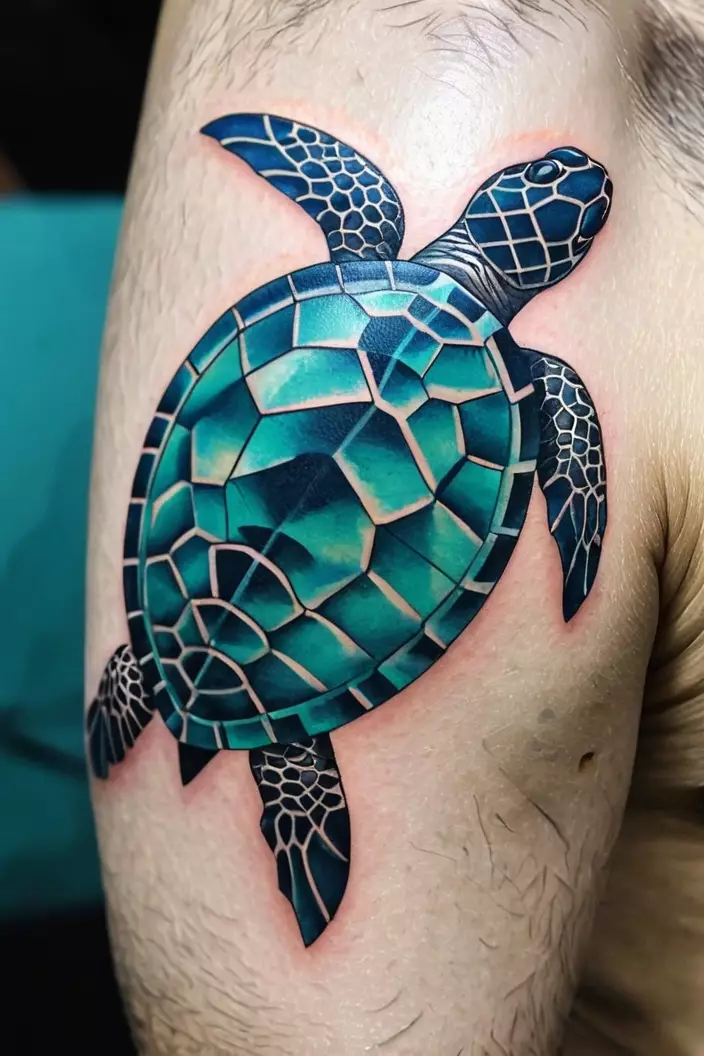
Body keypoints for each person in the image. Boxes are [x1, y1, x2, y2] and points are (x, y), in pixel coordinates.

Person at [85, 0, 704, 1051]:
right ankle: (243, 738)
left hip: (188, 568)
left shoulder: (376, 240)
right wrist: (576, 541)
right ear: (545, 266)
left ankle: (162, 673)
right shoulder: (436, 73)